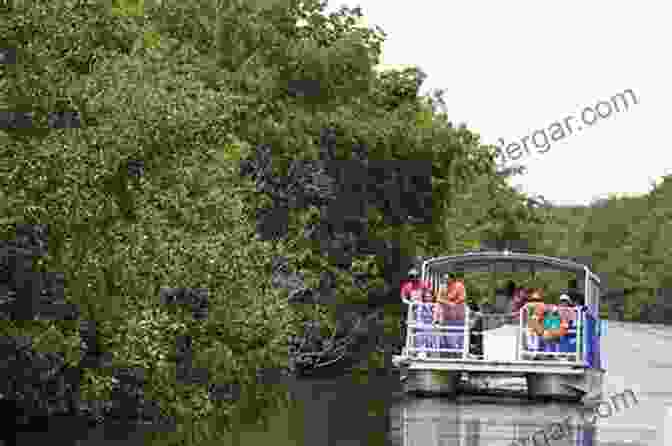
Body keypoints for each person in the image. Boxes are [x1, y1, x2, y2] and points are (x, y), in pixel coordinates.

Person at [399, 268, 432, 353]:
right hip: (412, 310)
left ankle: (422, 349)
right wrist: (410, 303)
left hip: (422, 310)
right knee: (411, 328)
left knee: (422, 328)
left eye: (416, 276)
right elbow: (403, 298)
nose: (414, 278)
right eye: (412, 276)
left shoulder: (423, 284)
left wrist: (426, 304)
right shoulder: (407, 286)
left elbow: (428, 296)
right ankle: (411, 349)